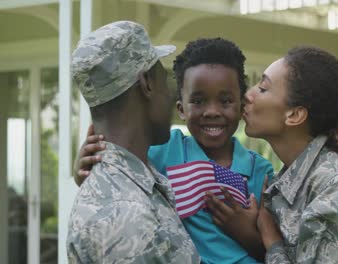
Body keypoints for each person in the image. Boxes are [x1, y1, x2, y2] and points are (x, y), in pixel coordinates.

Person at [74, 37, 274, 264]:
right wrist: (87, 167)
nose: (211, 111)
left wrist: (247, 235)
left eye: (225, 101)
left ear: (241, 105)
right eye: (198, 101)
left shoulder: (261, 171)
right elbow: (122, 173)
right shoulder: (164, 152)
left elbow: (278, 251)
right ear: (180, 108)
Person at [238, 46, 338, 263]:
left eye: (263, 88)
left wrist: (272, 241)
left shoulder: (334, 188)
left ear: (294, 115)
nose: (248, 95)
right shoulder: (291, 181)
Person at [67, 21, 200, 263]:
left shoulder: (131, 185)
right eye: (165, 79)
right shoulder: (127, 215)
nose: (172, 95)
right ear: (147, 83)